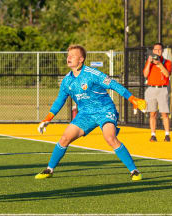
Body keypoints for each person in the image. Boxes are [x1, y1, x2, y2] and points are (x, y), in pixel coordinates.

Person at [36, 45, 146, 181]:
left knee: (110, 137)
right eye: (68, 55)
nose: (68, 58)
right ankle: (49, 169)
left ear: (81, 59)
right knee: (65, 138)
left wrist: (132, 98)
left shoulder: (92, 73)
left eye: (73, 56)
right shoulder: (67, 80)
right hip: (85, 114)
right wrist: (47, 118)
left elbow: (113, 84)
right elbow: (59, 101)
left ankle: (134, 171)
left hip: (105, 110)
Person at [143, 42, 172, 142]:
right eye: (155, 50)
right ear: (153, 51)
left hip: (162, 89)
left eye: (159, 50)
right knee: (152, 113)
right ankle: (153, 134)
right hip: (151, 89)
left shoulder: (167, 62)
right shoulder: (150, 62)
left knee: (164, 113)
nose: (157, 52)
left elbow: (167, 74)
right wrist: (149, 62)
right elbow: (145, 74)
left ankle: (167, 134)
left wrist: (159, 64)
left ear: (162, 51)